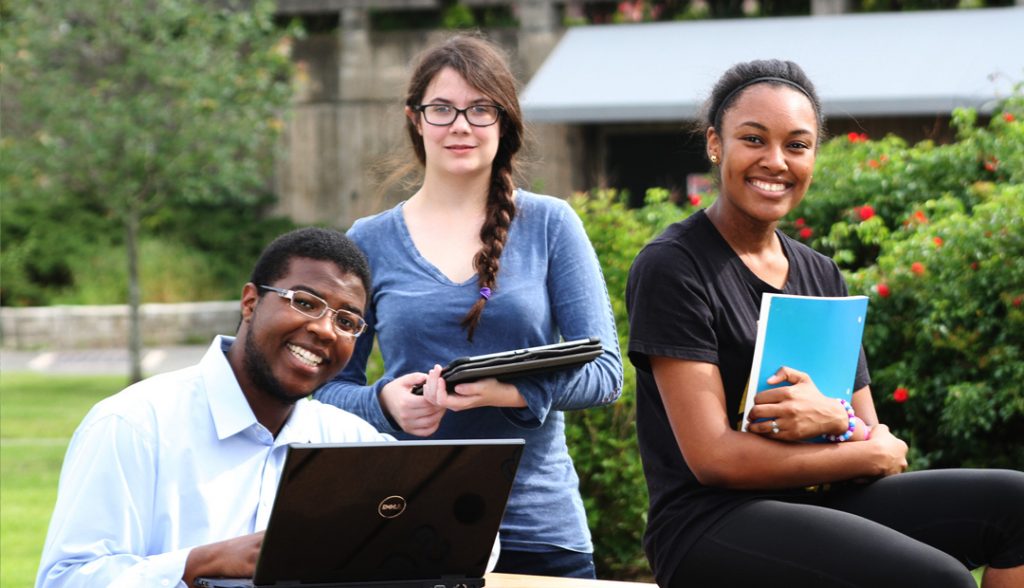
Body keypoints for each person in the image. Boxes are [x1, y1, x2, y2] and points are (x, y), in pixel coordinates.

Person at [625, 59, 1024, 588]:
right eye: (753, 139)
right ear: (715, 145)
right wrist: (863, 442)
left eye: (796, 144)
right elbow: (714, 458)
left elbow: (869, 440)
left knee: (1017, 505)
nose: (775, 161)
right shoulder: (673, 265)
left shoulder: (819, 272)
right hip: (708, 521)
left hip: (827, 501)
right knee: (939, 579)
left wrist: (841, 425)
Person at [313, 35, 623, 579]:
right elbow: (323, 387)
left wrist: (515, 391)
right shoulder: (368, 240)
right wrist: (383, 403)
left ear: (504, 122)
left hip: (538, 526)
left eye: (481, 109)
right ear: (416, 119)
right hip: (409, 518)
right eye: (442, 109)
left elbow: (605, 373)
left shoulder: (552, 225)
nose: (460, 125)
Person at [36, 227, 394, 588]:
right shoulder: (134, 425)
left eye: (346, 321)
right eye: (304, 302)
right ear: (250, 303)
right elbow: (64, 579)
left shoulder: (354, 445)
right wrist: (198, 564)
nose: (326, 330)